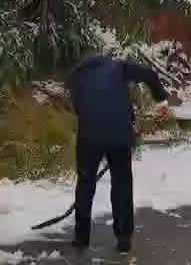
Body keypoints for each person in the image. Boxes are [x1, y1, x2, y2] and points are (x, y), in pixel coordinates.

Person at [68, 55, 171, 253]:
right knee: (122, 182)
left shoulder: (77, 76)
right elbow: (149, 74)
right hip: (120, 136)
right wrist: (161, 98)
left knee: (85, 182)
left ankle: (81, 237)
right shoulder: (118, 67)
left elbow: (78, 107)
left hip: (89, 136)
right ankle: (123, 238)